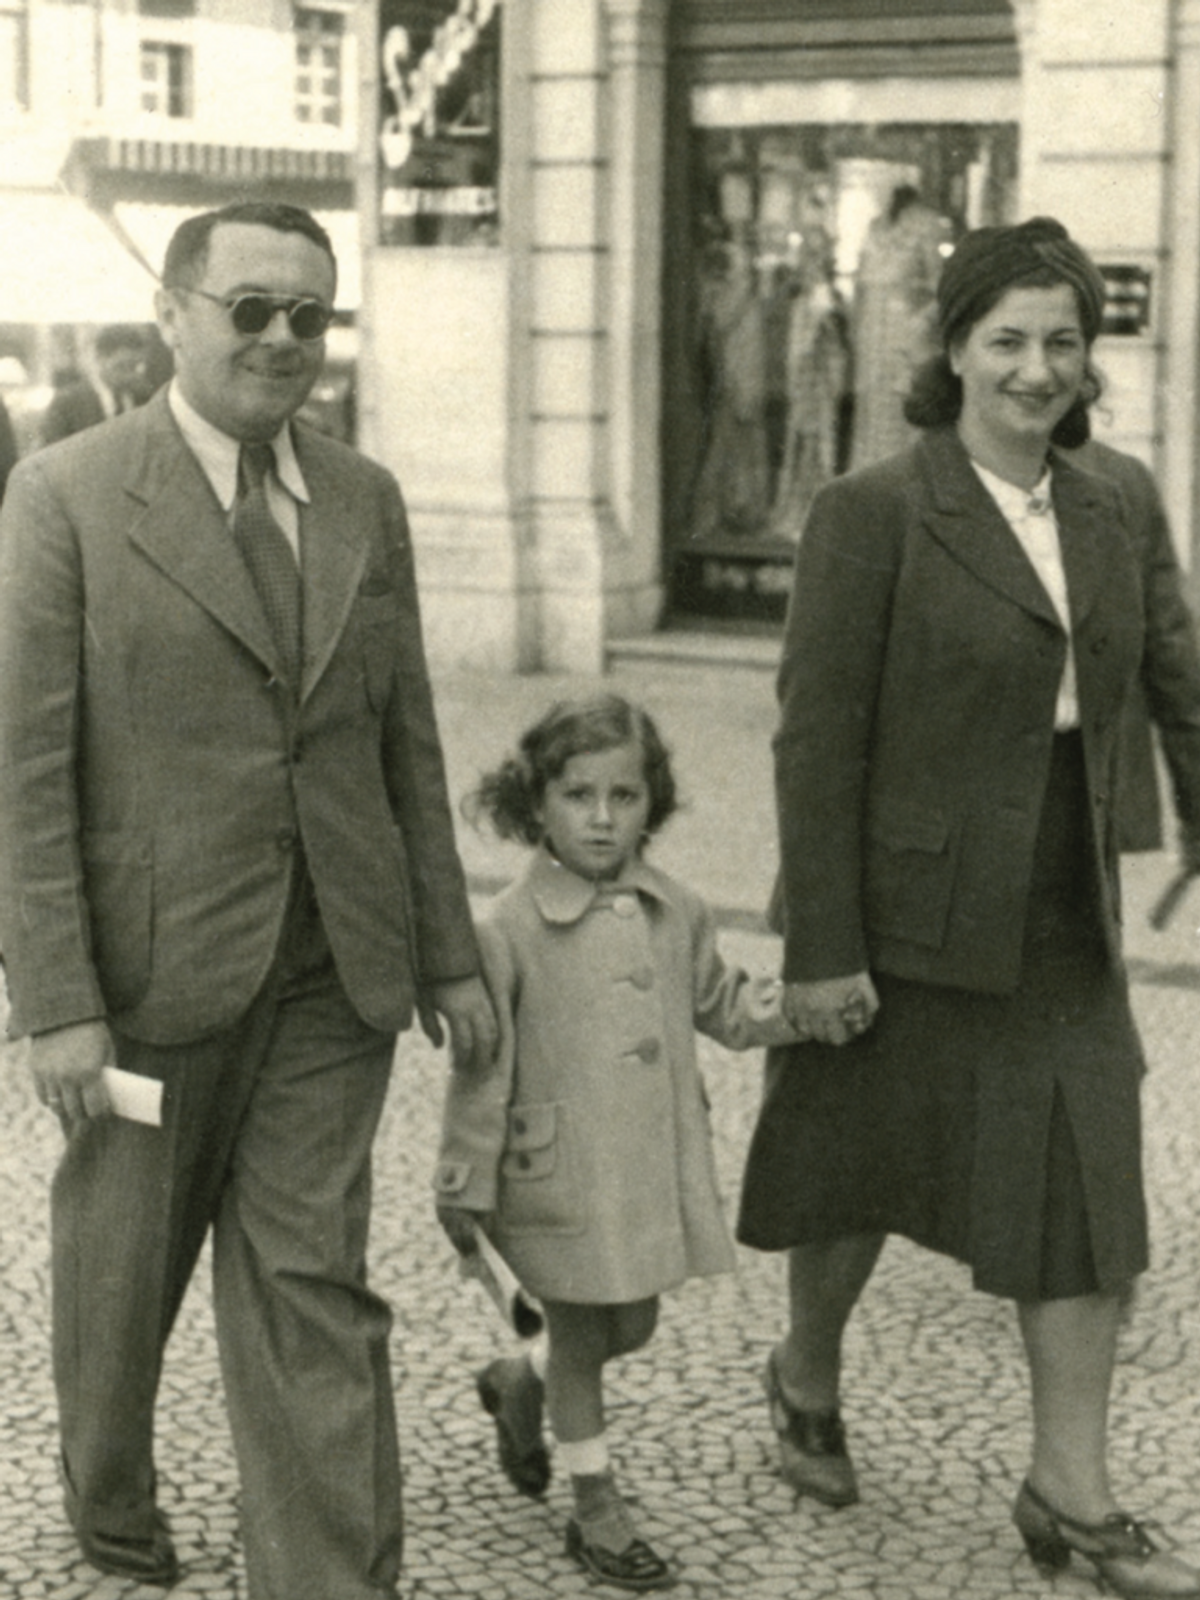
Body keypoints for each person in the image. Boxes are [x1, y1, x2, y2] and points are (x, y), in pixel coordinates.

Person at [0, 201, 497, 1600]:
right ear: (172, 315)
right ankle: (108, 1490)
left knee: (310, 1284)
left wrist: (448, 956)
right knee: (124, 1269)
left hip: (336, 966)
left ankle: (325, 1577)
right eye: (252, 310)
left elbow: (405, 743)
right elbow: (26, 768)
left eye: (311, 317)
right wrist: (58, 1005)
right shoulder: (70, 494)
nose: (284, 342)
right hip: (150, 971)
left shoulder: (365, 497)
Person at [737, 218, 1200, 1600]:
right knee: (853, 1173)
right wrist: (820, 953)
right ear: (952, 351)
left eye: (1063, 341)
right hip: (897, 905)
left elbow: (1176, 666)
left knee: (1083, 1185)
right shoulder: (876, 510)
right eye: (1007, 340)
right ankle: (805, 1372)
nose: (1038, 368)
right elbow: (815, 739)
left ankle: (1071, 1489)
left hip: (1061, 896)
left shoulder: (1116, 497)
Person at [433, 694, 800, 1593]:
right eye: (578, 795)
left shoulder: (677, 908)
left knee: (630, 1321)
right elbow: (482, 1071)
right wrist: (463, 1179)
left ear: (653, 803)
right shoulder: (509, 926)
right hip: (553, 1176)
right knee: (587, 1333)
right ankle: (596, 1506)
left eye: (624, 797)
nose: (602, 818)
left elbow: (720, 1002)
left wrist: (802, 1009)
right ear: (538, 803)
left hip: (641, 1175)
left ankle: (520, 1381)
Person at [848, 184, 946, 470]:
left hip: (903, 328)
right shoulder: (874, 226)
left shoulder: (927, 225)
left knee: (900, 404)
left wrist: (920, 322)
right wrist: (856, 327)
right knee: (871, 405)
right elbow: (860, 283)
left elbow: (941, 288)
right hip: (871, 330)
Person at [40, 323, 149, 444]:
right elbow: (51, 453)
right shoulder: (67, 403)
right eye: (122, 367)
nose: (130, 376)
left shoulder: (144, 397)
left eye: (135, 367)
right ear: (100, 358)